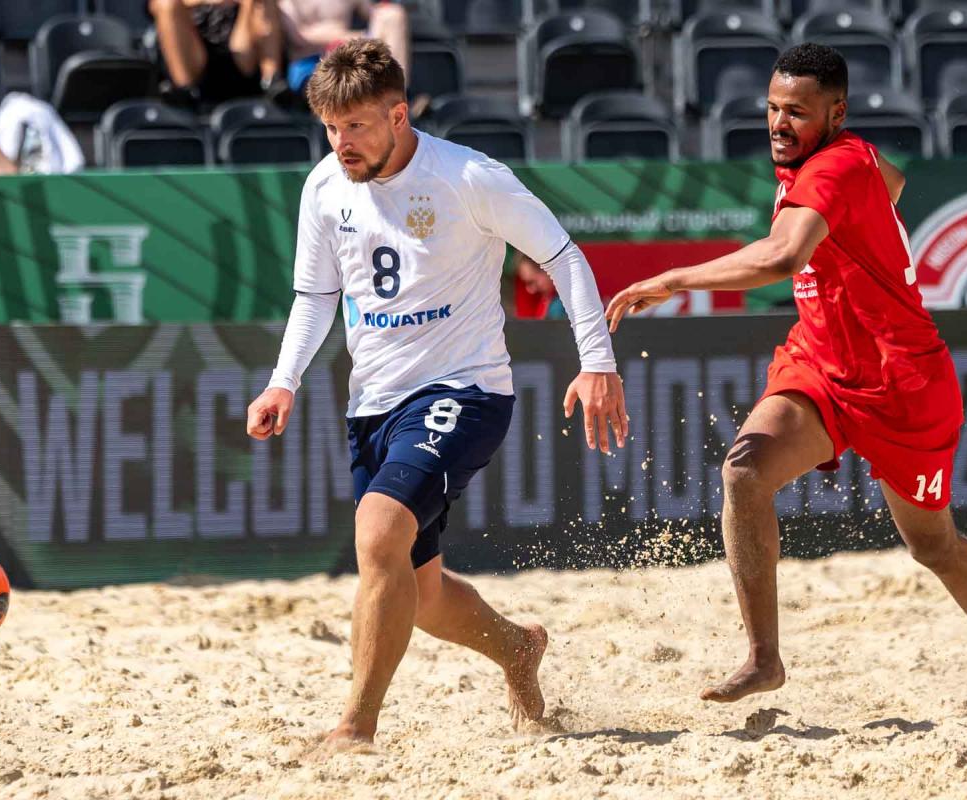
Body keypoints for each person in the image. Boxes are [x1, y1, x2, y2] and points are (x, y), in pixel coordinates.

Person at [606, 43, 967, 716]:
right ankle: (764, 658)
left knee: (934, 547)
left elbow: (783, 256)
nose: (779, 123)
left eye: (797, 112)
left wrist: (674, 278)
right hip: (821, 363)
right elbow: (894, 182)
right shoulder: (845, 156)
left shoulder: (833, 165)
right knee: (744, 474)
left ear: (836, 114)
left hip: (901, 381)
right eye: (773, 108)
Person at [245, 39, 627, 748]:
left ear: (398, 115)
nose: (341, 143)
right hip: (374, 401)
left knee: (378, 533)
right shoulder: (325, 186)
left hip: (465, 388)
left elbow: (563, 256)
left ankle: (355, 726)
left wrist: (597, 360)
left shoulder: (468, 177)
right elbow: (315, 296)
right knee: (419, 593)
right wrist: (282, 381)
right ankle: (517, 647)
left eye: (355, 126)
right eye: (330, 128)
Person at [149, 0, 286, 105]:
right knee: (166, 4)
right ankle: (184, 90)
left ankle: (271, 82)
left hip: (240, 47)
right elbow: (154, 7)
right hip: (194, 44)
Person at [277, 0, 410, 93]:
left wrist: (386, 15)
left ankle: (397, 92)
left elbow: (373, 13)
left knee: (393, 15)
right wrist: (349, 37)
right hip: (308, 62)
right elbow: (298, 37)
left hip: (348, 56)